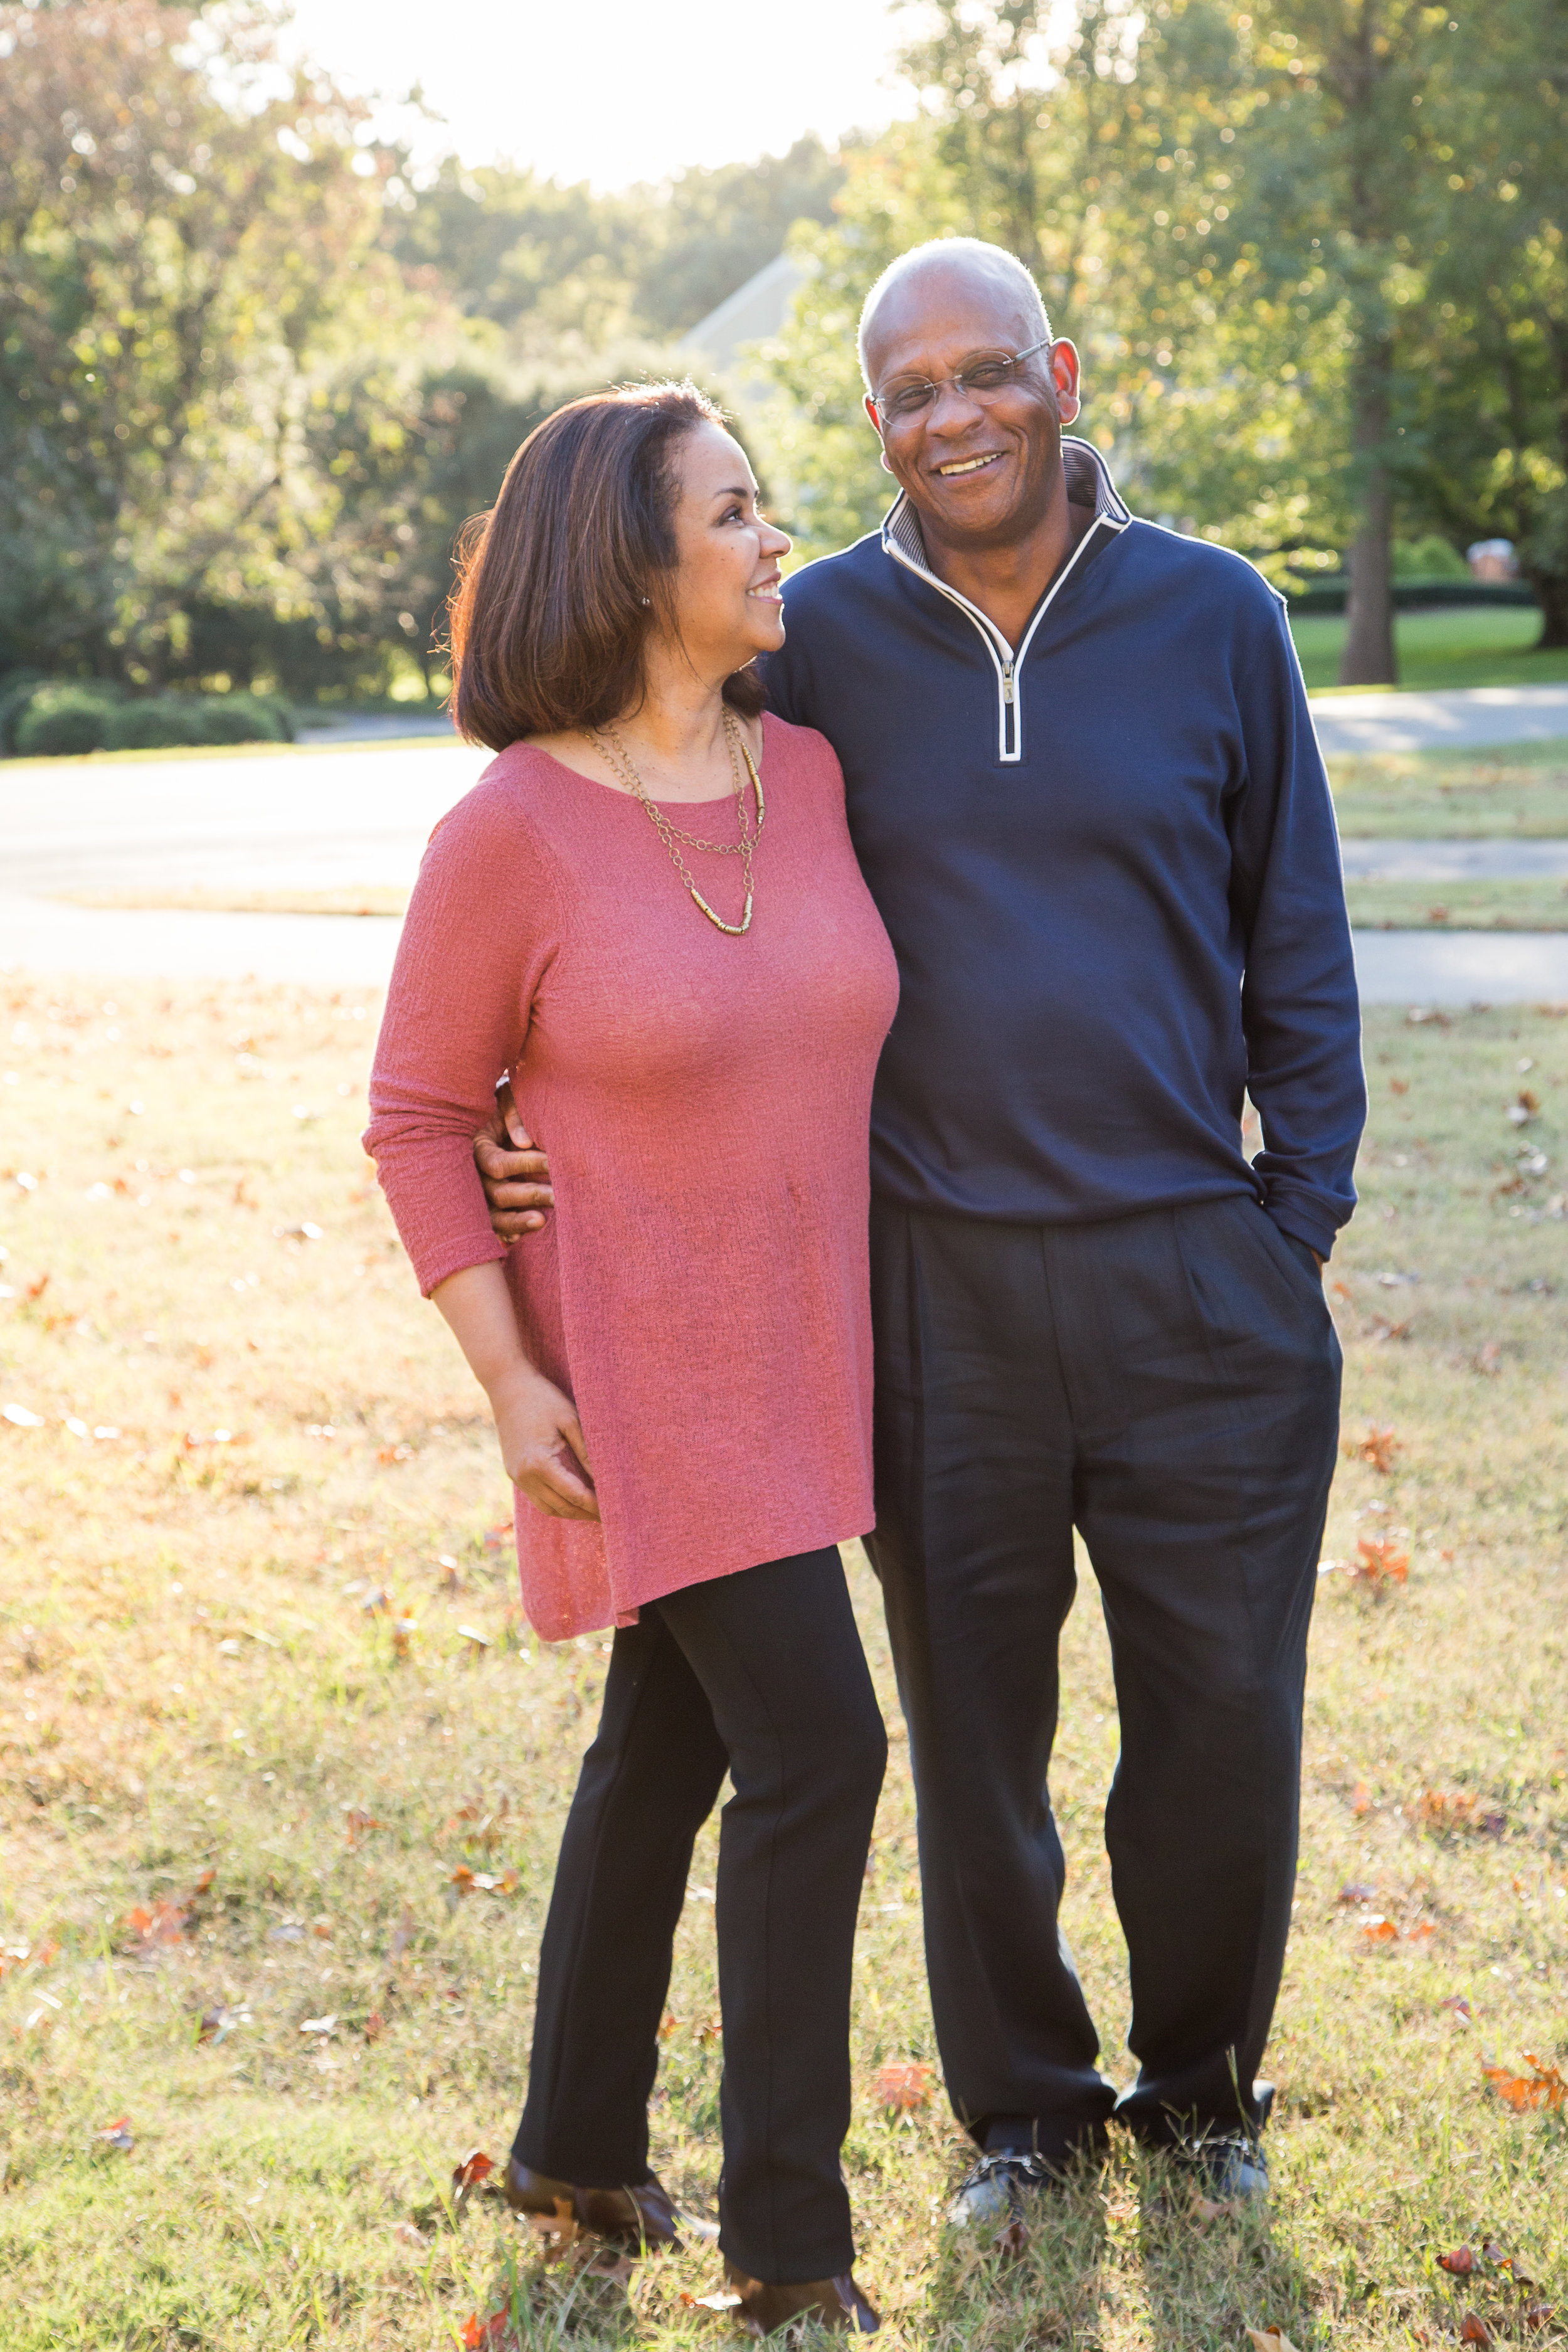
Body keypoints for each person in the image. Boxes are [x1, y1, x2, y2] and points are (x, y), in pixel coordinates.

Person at [477, 241, 1365, 2237]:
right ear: (871, 419)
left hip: (1194, 1275)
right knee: (975, 1735)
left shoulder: (1216, 616)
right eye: (906, 392)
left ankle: (1203, 2081)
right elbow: (627, 815)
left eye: (983, 374)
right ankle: (1024, 2110)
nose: (950, 415)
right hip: (921, 1292)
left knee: (1219, 1718)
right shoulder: (819, 639)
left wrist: (1286, 1221)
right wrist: (541, 1125)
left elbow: (1293, 936)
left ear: (1055, 374)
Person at [366, 382, 896, 2333]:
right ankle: (789, 2245)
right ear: (632, 558)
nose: (778, 540)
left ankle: (576, 2146)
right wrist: (511, 1383)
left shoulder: (815, 774)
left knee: (662, 1742)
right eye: (737, 511)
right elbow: (422, 1115)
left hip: (813, 1360)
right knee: (824, 1748)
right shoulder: (508, 831)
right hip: (643, 1387)